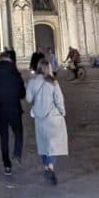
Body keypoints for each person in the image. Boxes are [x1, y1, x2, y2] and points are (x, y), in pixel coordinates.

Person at [26, 57, 68, 185]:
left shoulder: (32, 82)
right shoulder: (53, 82)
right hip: (52, 116)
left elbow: (28, 99)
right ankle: (50, 166)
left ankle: (46, 166)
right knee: (52, 144)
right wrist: (62, 111)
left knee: (43, 143)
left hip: (39, 117)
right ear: (48, 68)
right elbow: (59, 99)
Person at [0, 49, 25, 176]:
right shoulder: (14, 71)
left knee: (4, 137)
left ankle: (7, 164)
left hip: (0, 110)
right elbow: (22, 93)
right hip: (14, 108)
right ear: (9, 58)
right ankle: (17, 154)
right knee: (18, 132)